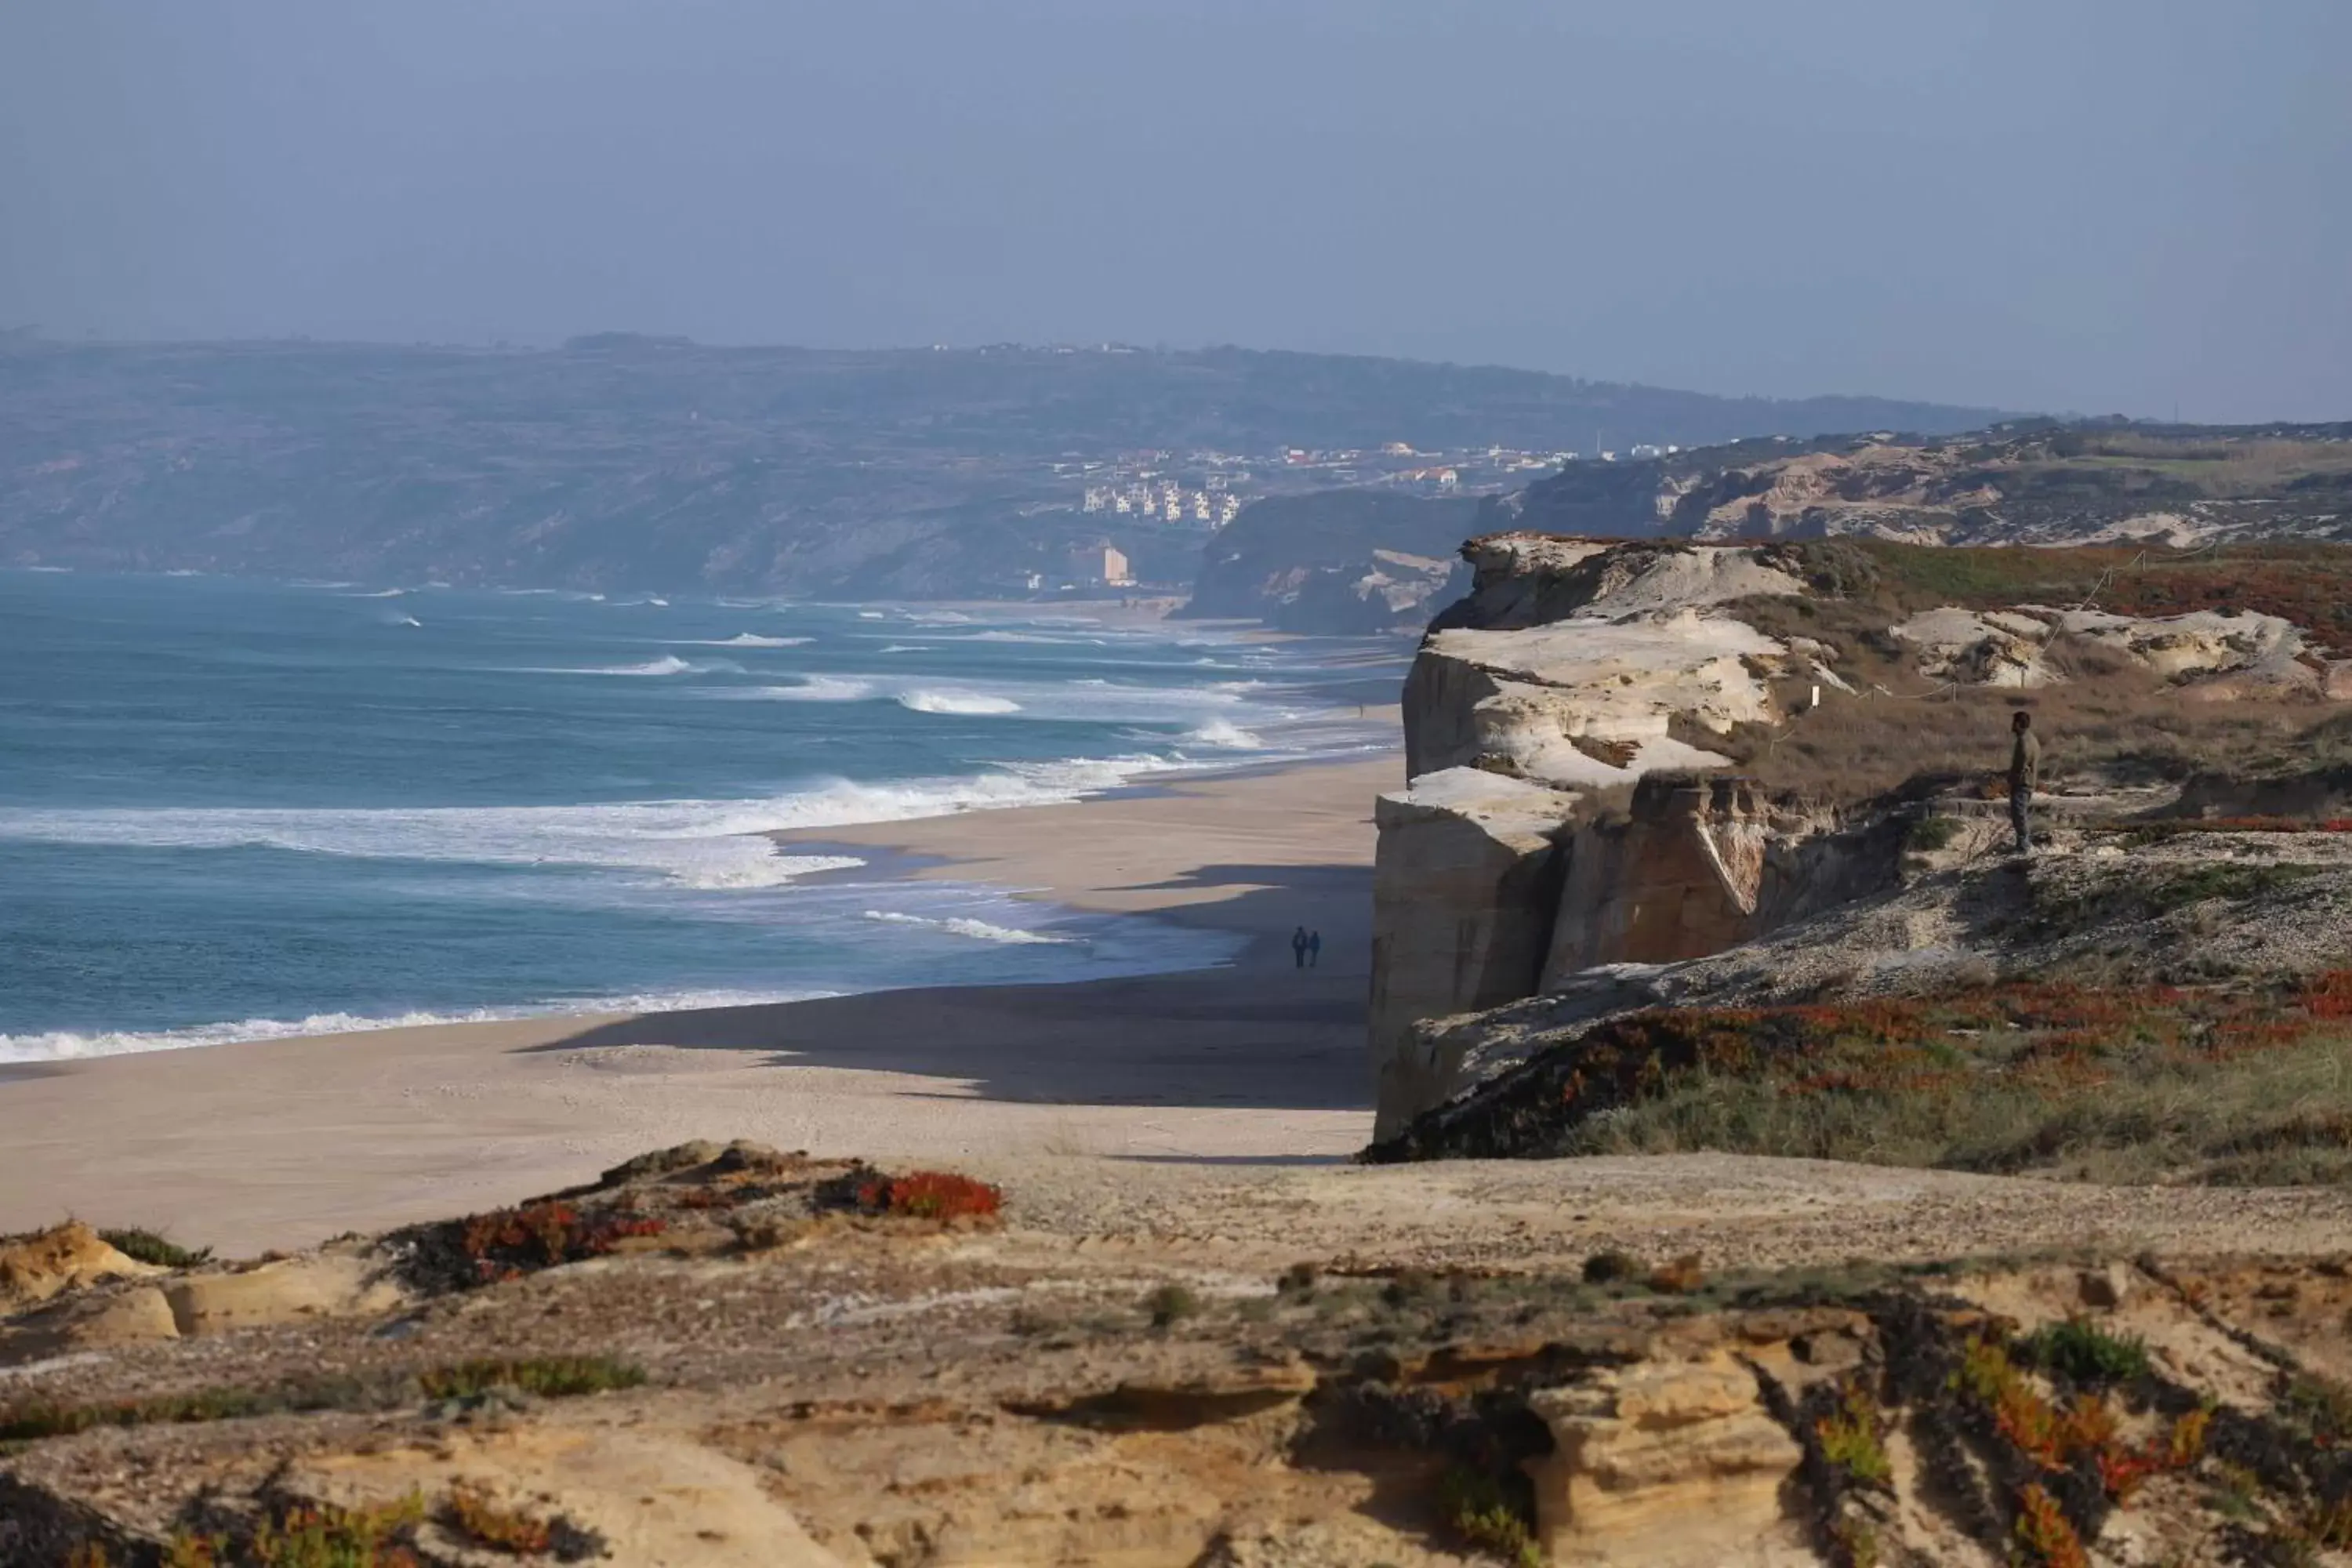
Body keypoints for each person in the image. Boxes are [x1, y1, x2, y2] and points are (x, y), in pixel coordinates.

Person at [2009, 709, 2041, 856]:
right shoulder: (2030, 738)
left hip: (2023, 783)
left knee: (2019, 814)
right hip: (2026, 782)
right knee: (2020, 813)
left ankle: (2024, 845)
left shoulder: (2024, 741)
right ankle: (2022, 843)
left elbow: (2021, 764)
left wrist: (2011, 778)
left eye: (2014, 722)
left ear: (2018, 724)